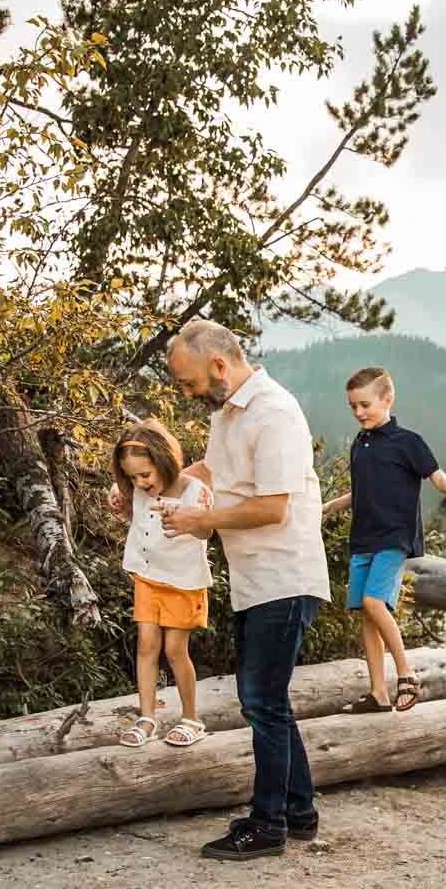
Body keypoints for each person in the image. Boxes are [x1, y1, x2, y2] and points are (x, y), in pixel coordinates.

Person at [155, 319, 332, 861]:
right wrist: (158, 488)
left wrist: (199, 523)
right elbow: (214, 469)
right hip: (257, 579)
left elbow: (273, 506)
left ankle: (267, 824)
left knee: (260, 702)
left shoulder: (274, 412)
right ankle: (298, 810)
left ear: (218, 365)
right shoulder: (228, 413)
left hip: (284, 576)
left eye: (188, 383)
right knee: (269, 701)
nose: (186, 393)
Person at [321, 366, 446, 713]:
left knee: (375, 603)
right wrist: (328, 507)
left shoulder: (409, 442)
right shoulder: (361, 443)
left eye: (365, 405)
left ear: (388, 399)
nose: (358, 413)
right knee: (366, 615)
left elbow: (437, 475)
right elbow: (361, 491)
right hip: (363, 539)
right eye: (353, 406)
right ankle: (378, 694)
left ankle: (407, 673)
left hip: (394, 538)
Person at [107, 419, 213, 747]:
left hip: (183, 582)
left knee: (174, 649)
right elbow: (137, 520)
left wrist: (186, 521)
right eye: (132, 477)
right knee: (146, 645)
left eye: (145, 475)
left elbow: (207, 532)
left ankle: (191, 718)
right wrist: (120, 504)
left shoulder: (195, 492)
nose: (139, 482)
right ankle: (147, 716)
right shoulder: (138, 491)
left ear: (164, 462)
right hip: (148, 577)